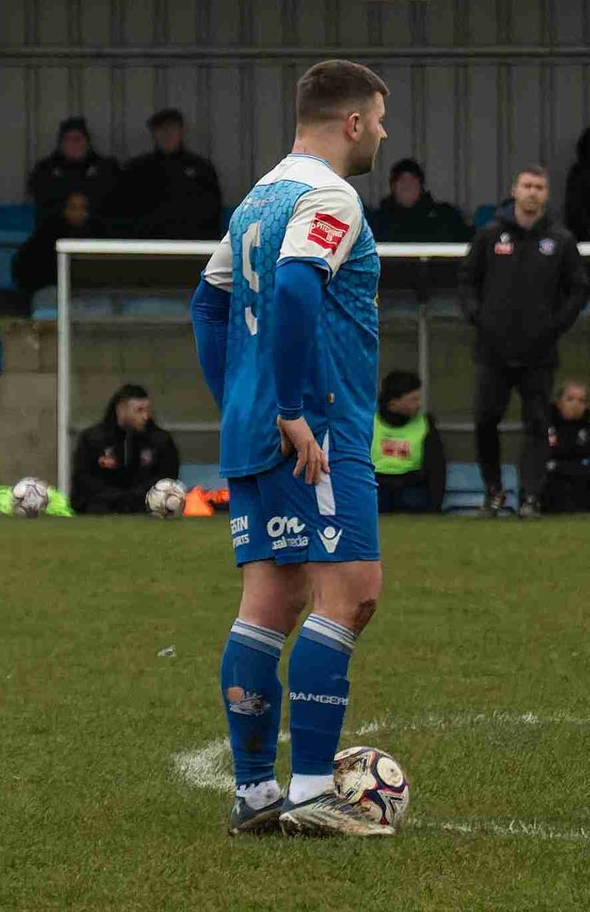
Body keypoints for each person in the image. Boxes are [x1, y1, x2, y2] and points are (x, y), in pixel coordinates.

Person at [188, 59, 390, 837]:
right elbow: (302, 284)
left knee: (270, 601)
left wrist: (242, 400)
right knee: (352, 591)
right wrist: (292, 407)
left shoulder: (257, 200)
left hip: (256, 427)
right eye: (378, 119)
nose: (381, 134)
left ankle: (254, 792)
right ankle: (309, 789)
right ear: (351, 121)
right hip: (317, 427)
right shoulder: (329, 195)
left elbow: (207, 303)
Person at [458, 166, 588, 518]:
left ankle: (531, 497)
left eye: (540, 187)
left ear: (547, 194)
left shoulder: (560, 240)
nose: (533, 192)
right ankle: (494, 492)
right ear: (514, 190)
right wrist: (479, 318)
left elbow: (578, 288)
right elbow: (467, 280)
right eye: (527, 185)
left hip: (539, 352)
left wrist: (555, 325)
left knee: (537, 425)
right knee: (485, 421)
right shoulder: (489, 235)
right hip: (493, 350)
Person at [111, 109, 224, 239]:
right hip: (147, 245)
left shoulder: (201, 168)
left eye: (172, 128)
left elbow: (212, 213)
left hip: (190, 245)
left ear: (181, 131)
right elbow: (122, 212)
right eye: (161, 129)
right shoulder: (136, 169)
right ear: (153, 134)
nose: (167, 134)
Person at [69, 383, 181, 514]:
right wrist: (116, 498)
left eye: (147, 410)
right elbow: (83, 479)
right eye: (139, 410)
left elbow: (167, 476)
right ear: (121, 410)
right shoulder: (92, 439)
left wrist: (135, 496)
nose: (145, 416)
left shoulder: (160, 440)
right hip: (102, 508)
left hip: (144, 507)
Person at [370, 370, 445, 514]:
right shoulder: (369, 422)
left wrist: (435, 507)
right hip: (376, 485)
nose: (418, 404)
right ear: (393, 403)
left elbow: (436, 468)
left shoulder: (425, 424)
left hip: (410, 487)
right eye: (413, 400)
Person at [27, 116, 118, 227]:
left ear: (87, 142)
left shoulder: (106, 167)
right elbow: (41, 194)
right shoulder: (45, 168)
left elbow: (110, 196)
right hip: (55, 229)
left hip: (95, 229)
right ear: (60, 144)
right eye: (67, 140)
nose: (72, 144)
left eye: (77, 139)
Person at [540, 380, 590, 514]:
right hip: (548, 504)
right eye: (570, 399)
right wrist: (580, 464)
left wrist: (556, 466)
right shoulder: (542, 432)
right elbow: (538, 467)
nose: (575, 405)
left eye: (581, 401)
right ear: (558, 402)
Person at [12, 191, 102, 297]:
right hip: (48, 289)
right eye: (73, 208)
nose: (78, 213)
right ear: (64, 210)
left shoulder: (96, 234)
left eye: (82, 208)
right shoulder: (46, 235)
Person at [367, 158, 469, 243]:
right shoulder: (377, 222)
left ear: (421, 186)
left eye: (412, 181)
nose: (407, 186)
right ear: (393, 187)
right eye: (402, 181)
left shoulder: (445, 218)